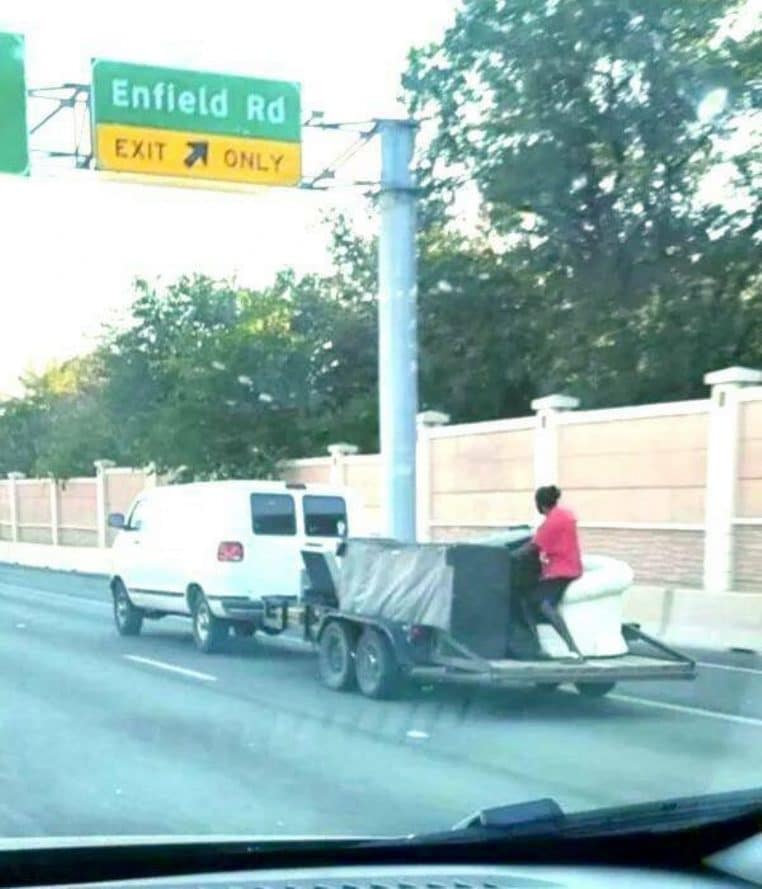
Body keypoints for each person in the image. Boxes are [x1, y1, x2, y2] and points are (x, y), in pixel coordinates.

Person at [519, 485, 585, 662]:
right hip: (570, 567)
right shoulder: (565, 515)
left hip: (561, 571)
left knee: (540, 603)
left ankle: (572, 649)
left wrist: (509, 555)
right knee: (530, 600)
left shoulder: (551, 523)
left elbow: (532, 548)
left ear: (539, 504)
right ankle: (539, 646)